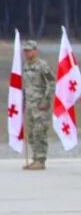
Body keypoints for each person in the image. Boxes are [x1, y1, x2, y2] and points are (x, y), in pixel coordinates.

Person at [20, 40, 53, 170]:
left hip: (40, 106)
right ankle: (35, 158)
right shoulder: (25, 66)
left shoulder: (42, 66)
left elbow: (52, 83)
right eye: (25, 51)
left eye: (29, 50)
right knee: (31, 134)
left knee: (40, 132)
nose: (27, 53)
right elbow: (25, 86)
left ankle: (41, 159)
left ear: (35, 51)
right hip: (29, 105)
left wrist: (46, 100)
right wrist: (23, 102)